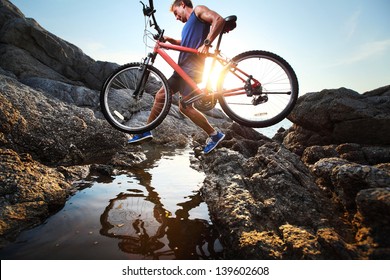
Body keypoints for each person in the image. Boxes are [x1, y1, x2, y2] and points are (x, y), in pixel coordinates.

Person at [128, 0, 226, 154]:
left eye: (175, 12)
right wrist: (171, 40)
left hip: (192, 69)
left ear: (182, 4)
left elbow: (218, 20)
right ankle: (144, 131)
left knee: (185, 106)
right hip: (181, 69)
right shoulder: (187, 27)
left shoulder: (198, 11)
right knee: (162, 96)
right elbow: (186, 43)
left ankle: (215, 135)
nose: (176, 17)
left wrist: (206, 43)